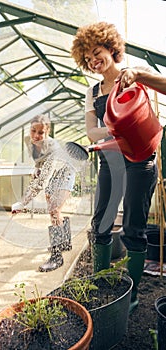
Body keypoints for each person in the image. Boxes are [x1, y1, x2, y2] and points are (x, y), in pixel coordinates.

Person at [71, 21, 160, 313]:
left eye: (97, 52)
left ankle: (131, 297)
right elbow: (91, 132)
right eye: (87, 59)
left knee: (134, 227)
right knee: (102, 223)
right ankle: (101, 286)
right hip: (111, 159)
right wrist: (115, 131)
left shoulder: (131, 77)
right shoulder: (93, 91)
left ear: (111, 48)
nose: (94, 61)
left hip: (140, 160)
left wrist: (141, 75)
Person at [11, 114, 76, 272]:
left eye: (40, 133)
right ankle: (65, 242)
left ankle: (56, 257)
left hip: (64, 172)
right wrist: (36, 169)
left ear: (48, 132)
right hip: (51, 172)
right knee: (52, 211)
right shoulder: (28, 141)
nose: (36, 135)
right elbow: (38, 161)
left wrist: (23, 202)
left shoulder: (53, 148)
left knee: (55, 209)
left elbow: (42, 181)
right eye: (33, 130)